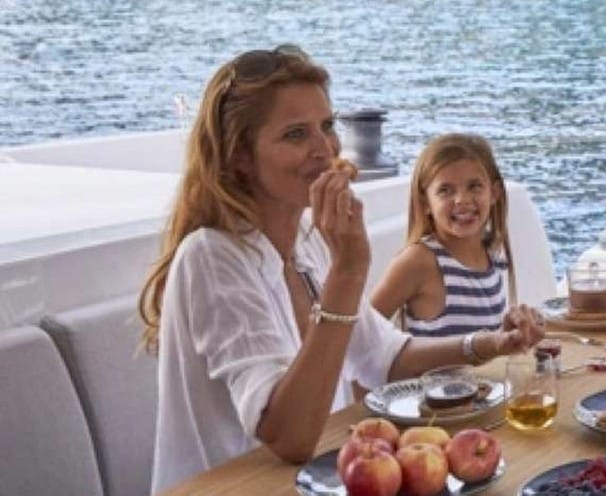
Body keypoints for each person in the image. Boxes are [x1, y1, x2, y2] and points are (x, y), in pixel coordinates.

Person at [137, 46, 545, 493]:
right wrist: (349, 272)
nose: (324, 149)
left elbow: (386, 360)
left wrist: (492, 343)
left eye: (327, 127)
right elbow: (289, 436)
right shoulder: (213, 257)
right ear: (239, 156)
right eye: (296, 134)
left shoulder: (310, 239)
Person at [370, 133, 514, 337]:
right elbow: (360, 337)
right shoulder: (418, 261)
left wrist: (509, 332)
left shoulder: (491, 253)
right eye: (445, 190)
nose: (462, 200)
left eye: (474, 186)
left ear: (494, 193)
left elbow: (484, 343)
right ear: (425, 202)